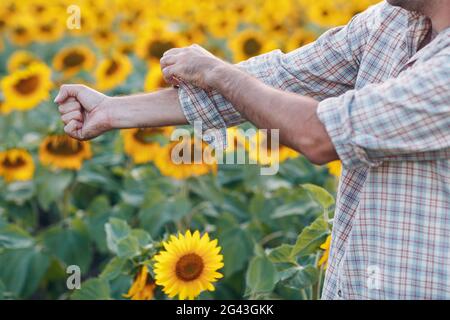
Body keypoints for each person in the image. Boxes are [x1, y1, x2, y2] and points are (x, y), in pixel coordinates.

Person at [55, 0, 450, 299]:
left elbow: (320, 135)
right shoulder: (391, 22)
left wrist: (216, 71)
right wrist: (112, 110)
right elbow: (282, 80)